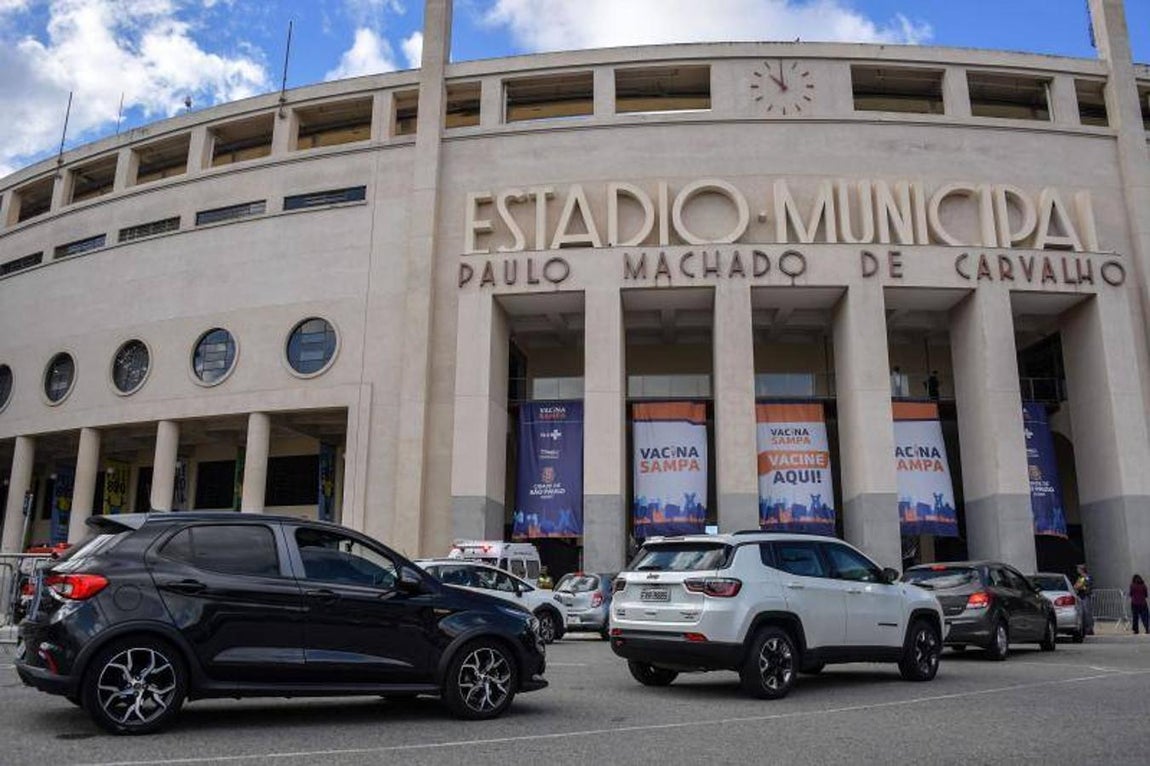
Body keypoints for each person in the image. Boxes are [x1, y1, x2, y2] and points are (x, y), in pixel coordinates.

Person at [1074, 564, 1095, 635]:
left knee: (1087, 612)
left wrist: (1081, 586)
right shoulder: (1080, 578)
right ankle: (1084, 628)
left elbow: (1085, 585)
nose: (1077, 570)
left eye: (1078, 569)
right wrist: (1079, 586)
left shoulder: (1087, 577)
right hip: (1080, 596)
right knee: (1082, 613)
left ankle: (1089, 629)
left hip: (1085, 596)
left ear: (1082, 570)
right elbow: (1076, 586)